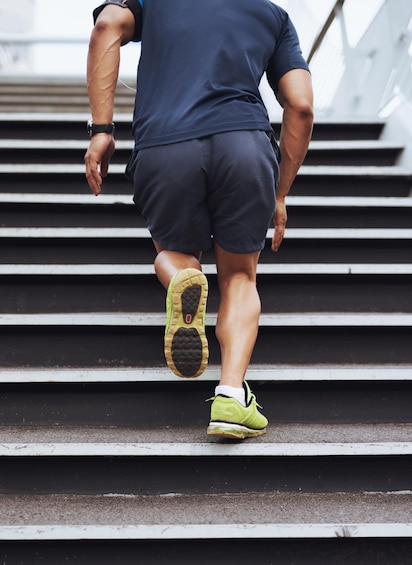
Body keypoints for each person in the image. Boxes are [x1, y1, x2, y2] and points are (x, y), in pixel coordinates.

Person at [84, 0, 314, 440]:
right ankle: (230, 397)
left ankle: (179, 279)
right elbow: (301, 107)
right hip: (244, 145)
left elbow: (107, 26)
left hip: (165, 145)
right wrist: (280, 193)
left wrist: (101, 130)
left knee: (177, 254)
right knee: (240, 278)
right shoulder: (273, 16)